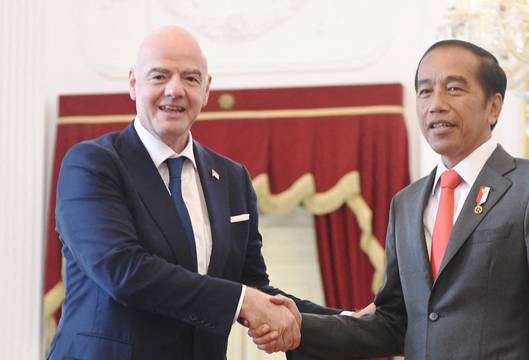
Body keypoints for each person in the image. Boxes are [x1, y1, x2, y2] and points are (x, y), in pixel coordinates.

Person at [257, 40, 529, 359]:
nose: (436, 104)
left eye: (454, 89)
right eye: (425, 91)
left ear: (493, 106)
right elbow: (393, 322)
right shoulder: (406, 203)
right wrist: (301, 326)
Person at [47, 26, 341, 360]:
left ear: (206, 89)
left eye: (190, 78)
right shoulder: (92, 164)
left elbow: (252, 285)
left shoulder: (232, 177)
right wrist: (244, 301)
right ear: (133, 83)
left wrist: (348, 322)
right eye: (159, 76)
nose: (175, 90)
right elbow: (125, 270)